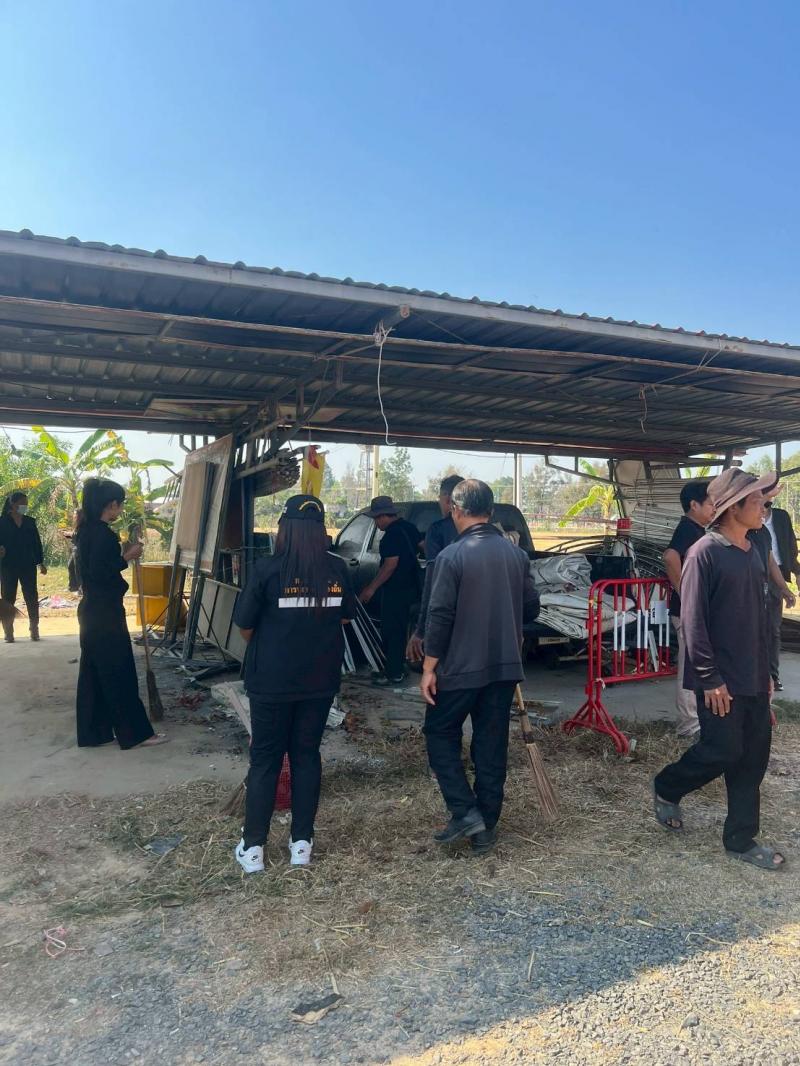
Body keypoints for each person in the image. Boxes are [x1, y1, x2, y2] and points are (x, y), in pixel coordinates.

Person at [653, 468, 787, 871]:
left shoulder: (752, 548)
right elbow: (694, 622)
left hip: (753, 675)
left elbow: (760, 619)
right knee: (723, 751)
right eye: (757, 502)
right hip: (720, 680)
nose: (763, 508)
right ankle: (667, 785)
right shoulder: (704, 553)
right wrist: (710, 678)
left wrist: (768, 674)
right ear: (733, 508)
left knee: (753, 757)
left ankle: (740, 840)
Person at [233, 494, 357, 872]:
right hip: (319, 680)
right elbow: (344, 619)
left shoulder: (267, 570)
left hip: (271, 681)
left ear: (284, 528)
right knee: (306, 756)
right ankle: (301, 844)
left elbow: (245, 626)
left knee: (265, 760)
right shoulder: (337, 570)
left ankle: (253, 849)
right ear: (321, 530)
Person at [421, 479, 540, 855]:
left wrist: (429, 667)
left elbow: (440, 615)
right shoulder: (515, 556)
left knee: (439, 733)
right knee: (491, 744)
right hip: (504, 667)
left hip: (459, 667)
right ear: (490, 511)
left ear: (455, 510)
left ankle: (465, 810)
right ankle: (485, 825)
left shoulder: (451, 556)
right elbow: (532, 608)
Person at [75, 478, 167, 750]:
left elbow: (96, 567)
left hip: (92, 610)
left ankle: (95, 733)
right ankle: (135, 734)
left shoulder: (85, 530)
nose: (121, 509)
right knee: (119, 671)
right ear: (111, 505)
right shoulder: (102, 534)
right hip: (104, 612)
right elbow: (100, 572)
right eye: (120, 504)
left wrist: (123, 554)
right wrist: (126, 557)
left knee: (95, 672)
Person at [662, 482, 715, 738]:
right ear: (694, 505)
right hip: (686, 612)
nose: (714, 508)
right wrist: (687, 594)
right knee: (690, 669)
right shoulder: (687, 529)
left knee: (700, 666)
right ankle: (689, 726)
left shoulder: (700, 530)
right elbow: (670, 557)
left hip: (697, 610)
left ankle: (700, 720)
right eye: (710, 504)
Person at [358, 496, 422, 686]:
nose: (376, 523)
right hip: (412, 589)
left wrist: (371, 588)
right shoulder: (409, 528)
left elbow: (390, 565)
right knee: (402, 630)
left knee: (392, 631)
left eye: (376, 519)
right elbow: (423, 547)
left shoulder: (390, 537)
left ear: (383, 516)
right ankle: (400, 666)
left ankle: (393, 673)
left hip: (395, 590)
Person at [407, 474, 465, 663]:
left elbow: (433, 579)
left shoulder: (438, 530)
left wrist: (421, 630)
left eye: (439, 498)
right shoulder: (497, 537)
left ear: (447, 500)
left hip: (447, 614)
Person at [762, 498, 799, 691]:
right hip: (753, 575)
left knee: (773, 629)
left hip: (776, 577)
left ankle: (772, 676)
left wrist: (796, 572)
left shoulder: (781, 517)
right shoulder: (749, 523)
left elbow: (790, 547)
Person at [0, 491, 47, 643]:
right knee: (8, 598)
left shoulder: (29, 522)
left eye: (26, 504)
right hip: (8, 565)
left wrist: (40, 562)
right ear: (12, 504)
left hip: (28, 564)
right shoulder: (2, 522)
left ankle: (34, 628)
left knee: (31, 597)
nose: (25, 506)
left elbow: (36, 543)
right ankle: (8, 631)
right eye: (22, 503)